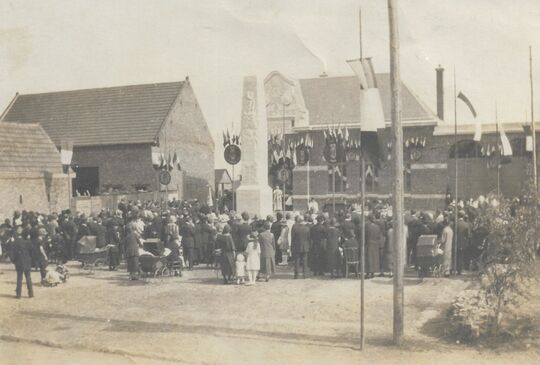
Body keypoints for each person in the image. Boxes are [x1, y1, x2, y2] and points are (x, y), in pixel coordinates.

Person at [11, 225, 34, 298]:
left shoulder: (15, 242)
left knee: (19, 278)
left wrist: (14, 261)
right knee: (28, 278)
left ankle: (18, 294)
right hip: (27, 261)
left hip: (19, 262)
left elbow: (12, 253)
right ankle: (31, 293)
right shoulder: (28, 242)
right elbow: (32, 252)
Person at [291, 215, 310, 279]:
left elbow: (292, 237)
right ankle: (305, 275)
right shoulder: (307, 228)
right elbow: (308, 238)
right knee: (305, 261)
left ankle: (296, 275)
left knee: (297, 261)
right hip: (305, 246)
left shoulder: (294, 227)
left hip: (297, 246)